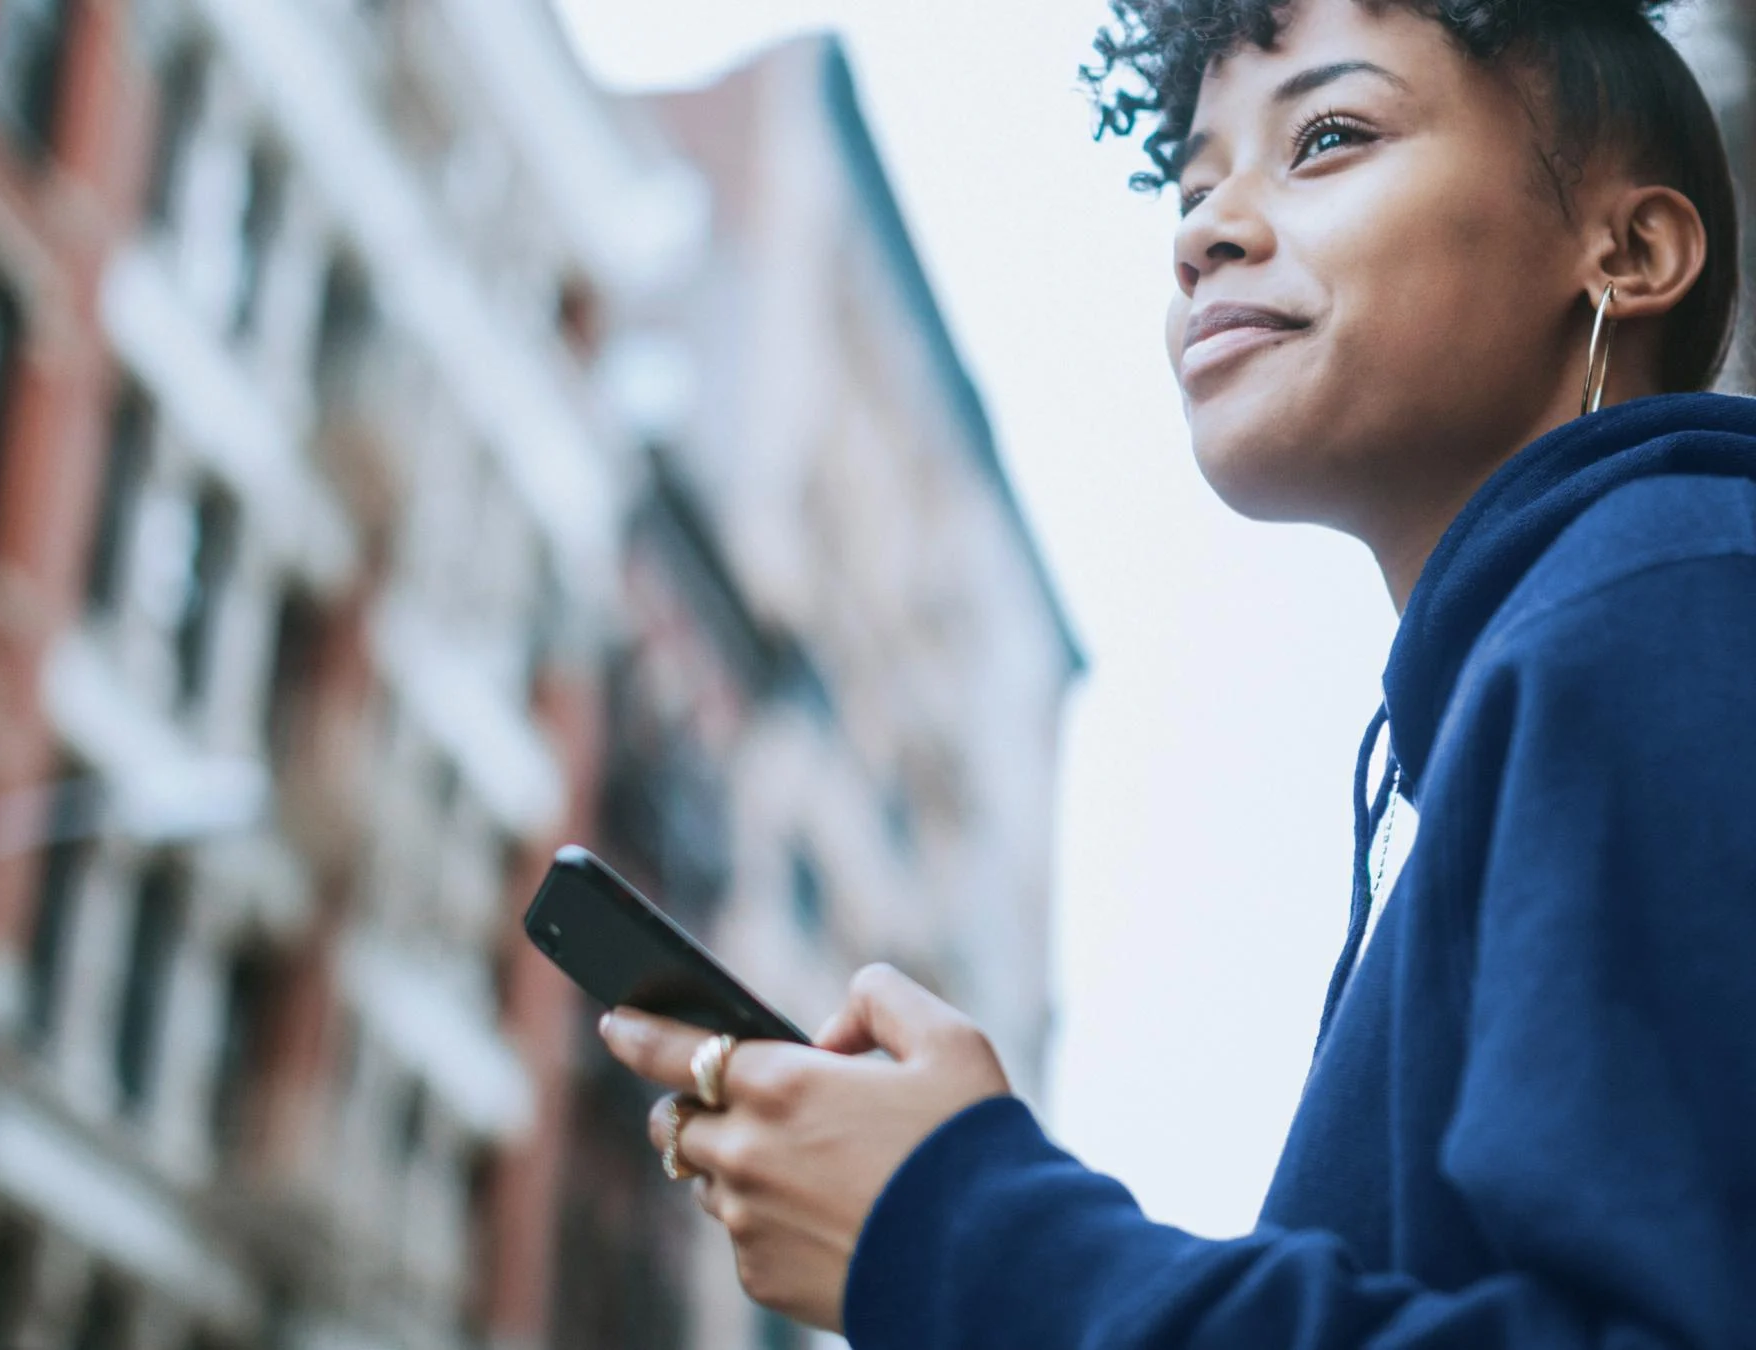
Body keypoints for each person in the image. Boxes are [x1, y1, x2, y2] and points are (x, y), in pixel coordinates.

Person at [598, 0, 1756, 1343]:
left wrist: (964, 1225)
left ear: (1631, 248)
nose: (1205, 232)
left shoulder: (1661, 596)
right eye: (1196, 185)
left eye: (1327, 137)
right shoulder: (1598, 640)